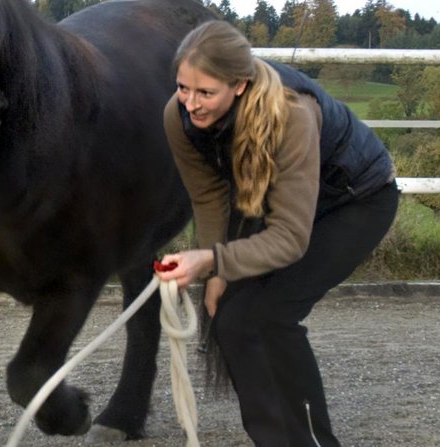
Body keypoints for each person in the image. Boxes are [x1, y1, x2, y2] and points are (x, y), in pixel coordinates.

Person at [155, 20, 399, 446]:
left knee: (269, 315)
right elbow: (210, 196)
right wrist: (217, 272)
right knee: (231, 319)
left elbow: (290, 237)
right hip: (286, 204)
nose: (191, 104)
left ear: (241, 86)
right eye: (183, 88)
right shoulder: (178, 118)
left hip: (355, 200)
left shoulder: (291, 113)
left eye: (206, 92)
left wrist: (213, 260)